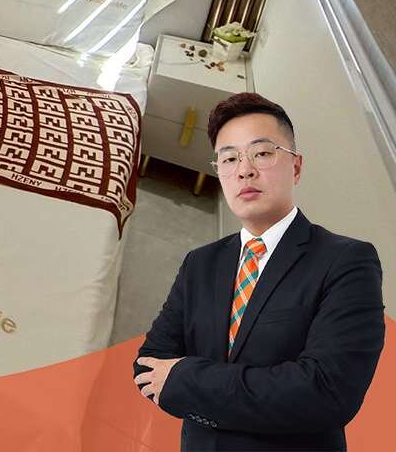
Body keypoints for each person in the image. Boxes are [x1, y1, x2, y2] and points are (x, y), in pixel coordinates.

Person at [134, 92, 385, 451]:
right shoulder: (200, 263)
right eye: (229, 158)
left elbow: (328, 392)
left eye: (262, 153)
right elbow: (149, 365)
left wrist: (186, 378)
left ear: (296, 166)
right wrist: (261, 391)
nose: (244, 170)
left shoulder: (346, 261)